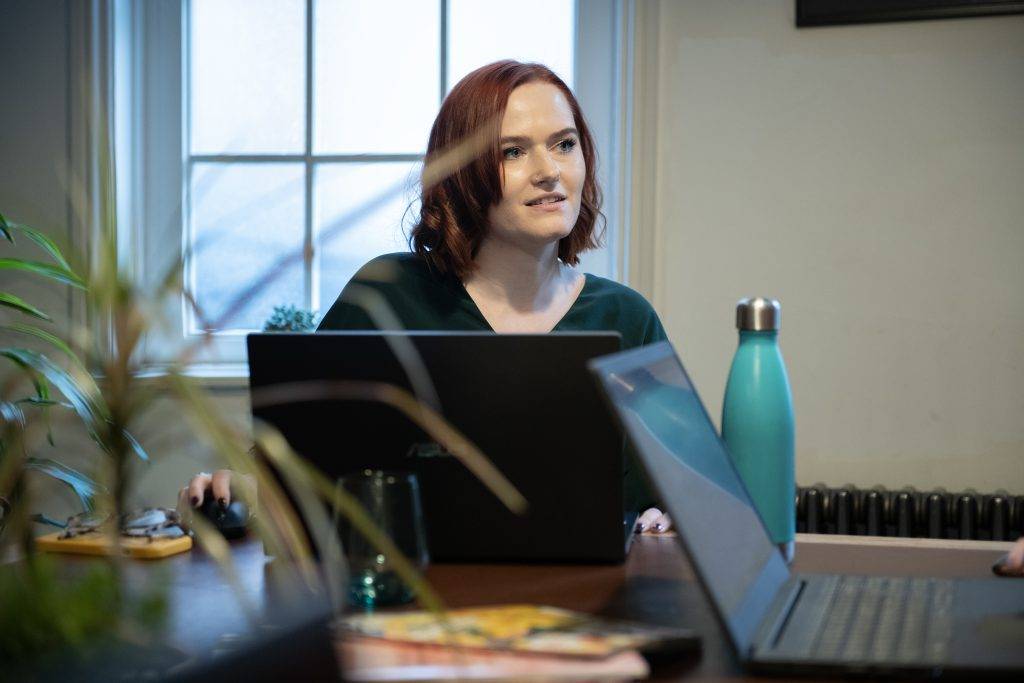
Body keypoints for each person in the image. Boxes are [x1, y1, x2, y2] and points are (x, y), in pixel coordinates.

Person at [180, 60, 672, 534]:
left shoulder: (628, 318)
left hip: (590, 610)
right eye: (512, 152)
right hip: (412, 605)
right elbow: (293, 467)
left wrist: (671, 518)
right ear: (461, 172)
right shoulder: (388, 294)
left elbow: (678, 497)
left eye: (564, 144)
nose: (549, 171)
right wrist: (231, 491)